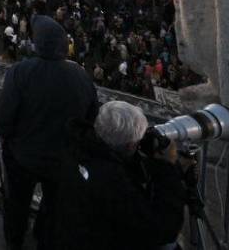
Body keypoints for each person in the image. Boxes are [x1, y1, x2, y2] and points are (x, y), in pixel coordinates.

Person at [0, 14, 99, 250]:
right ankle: (45, 238)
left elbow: (3, 119)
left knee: (17, 203)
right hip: (62, 161)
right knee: (53, 208)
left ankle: (14, 240)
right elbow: (91, 121)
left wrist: (10, 140)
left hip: (23, 156)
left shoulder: (21, 72)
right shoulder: (81, 77)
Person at [48, 100, 186, 250]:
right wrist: (167, 168)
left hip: (65, 235)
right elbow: (162, 230)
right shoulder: (112, 180)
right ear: (130, 146)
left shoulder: (75, 145)